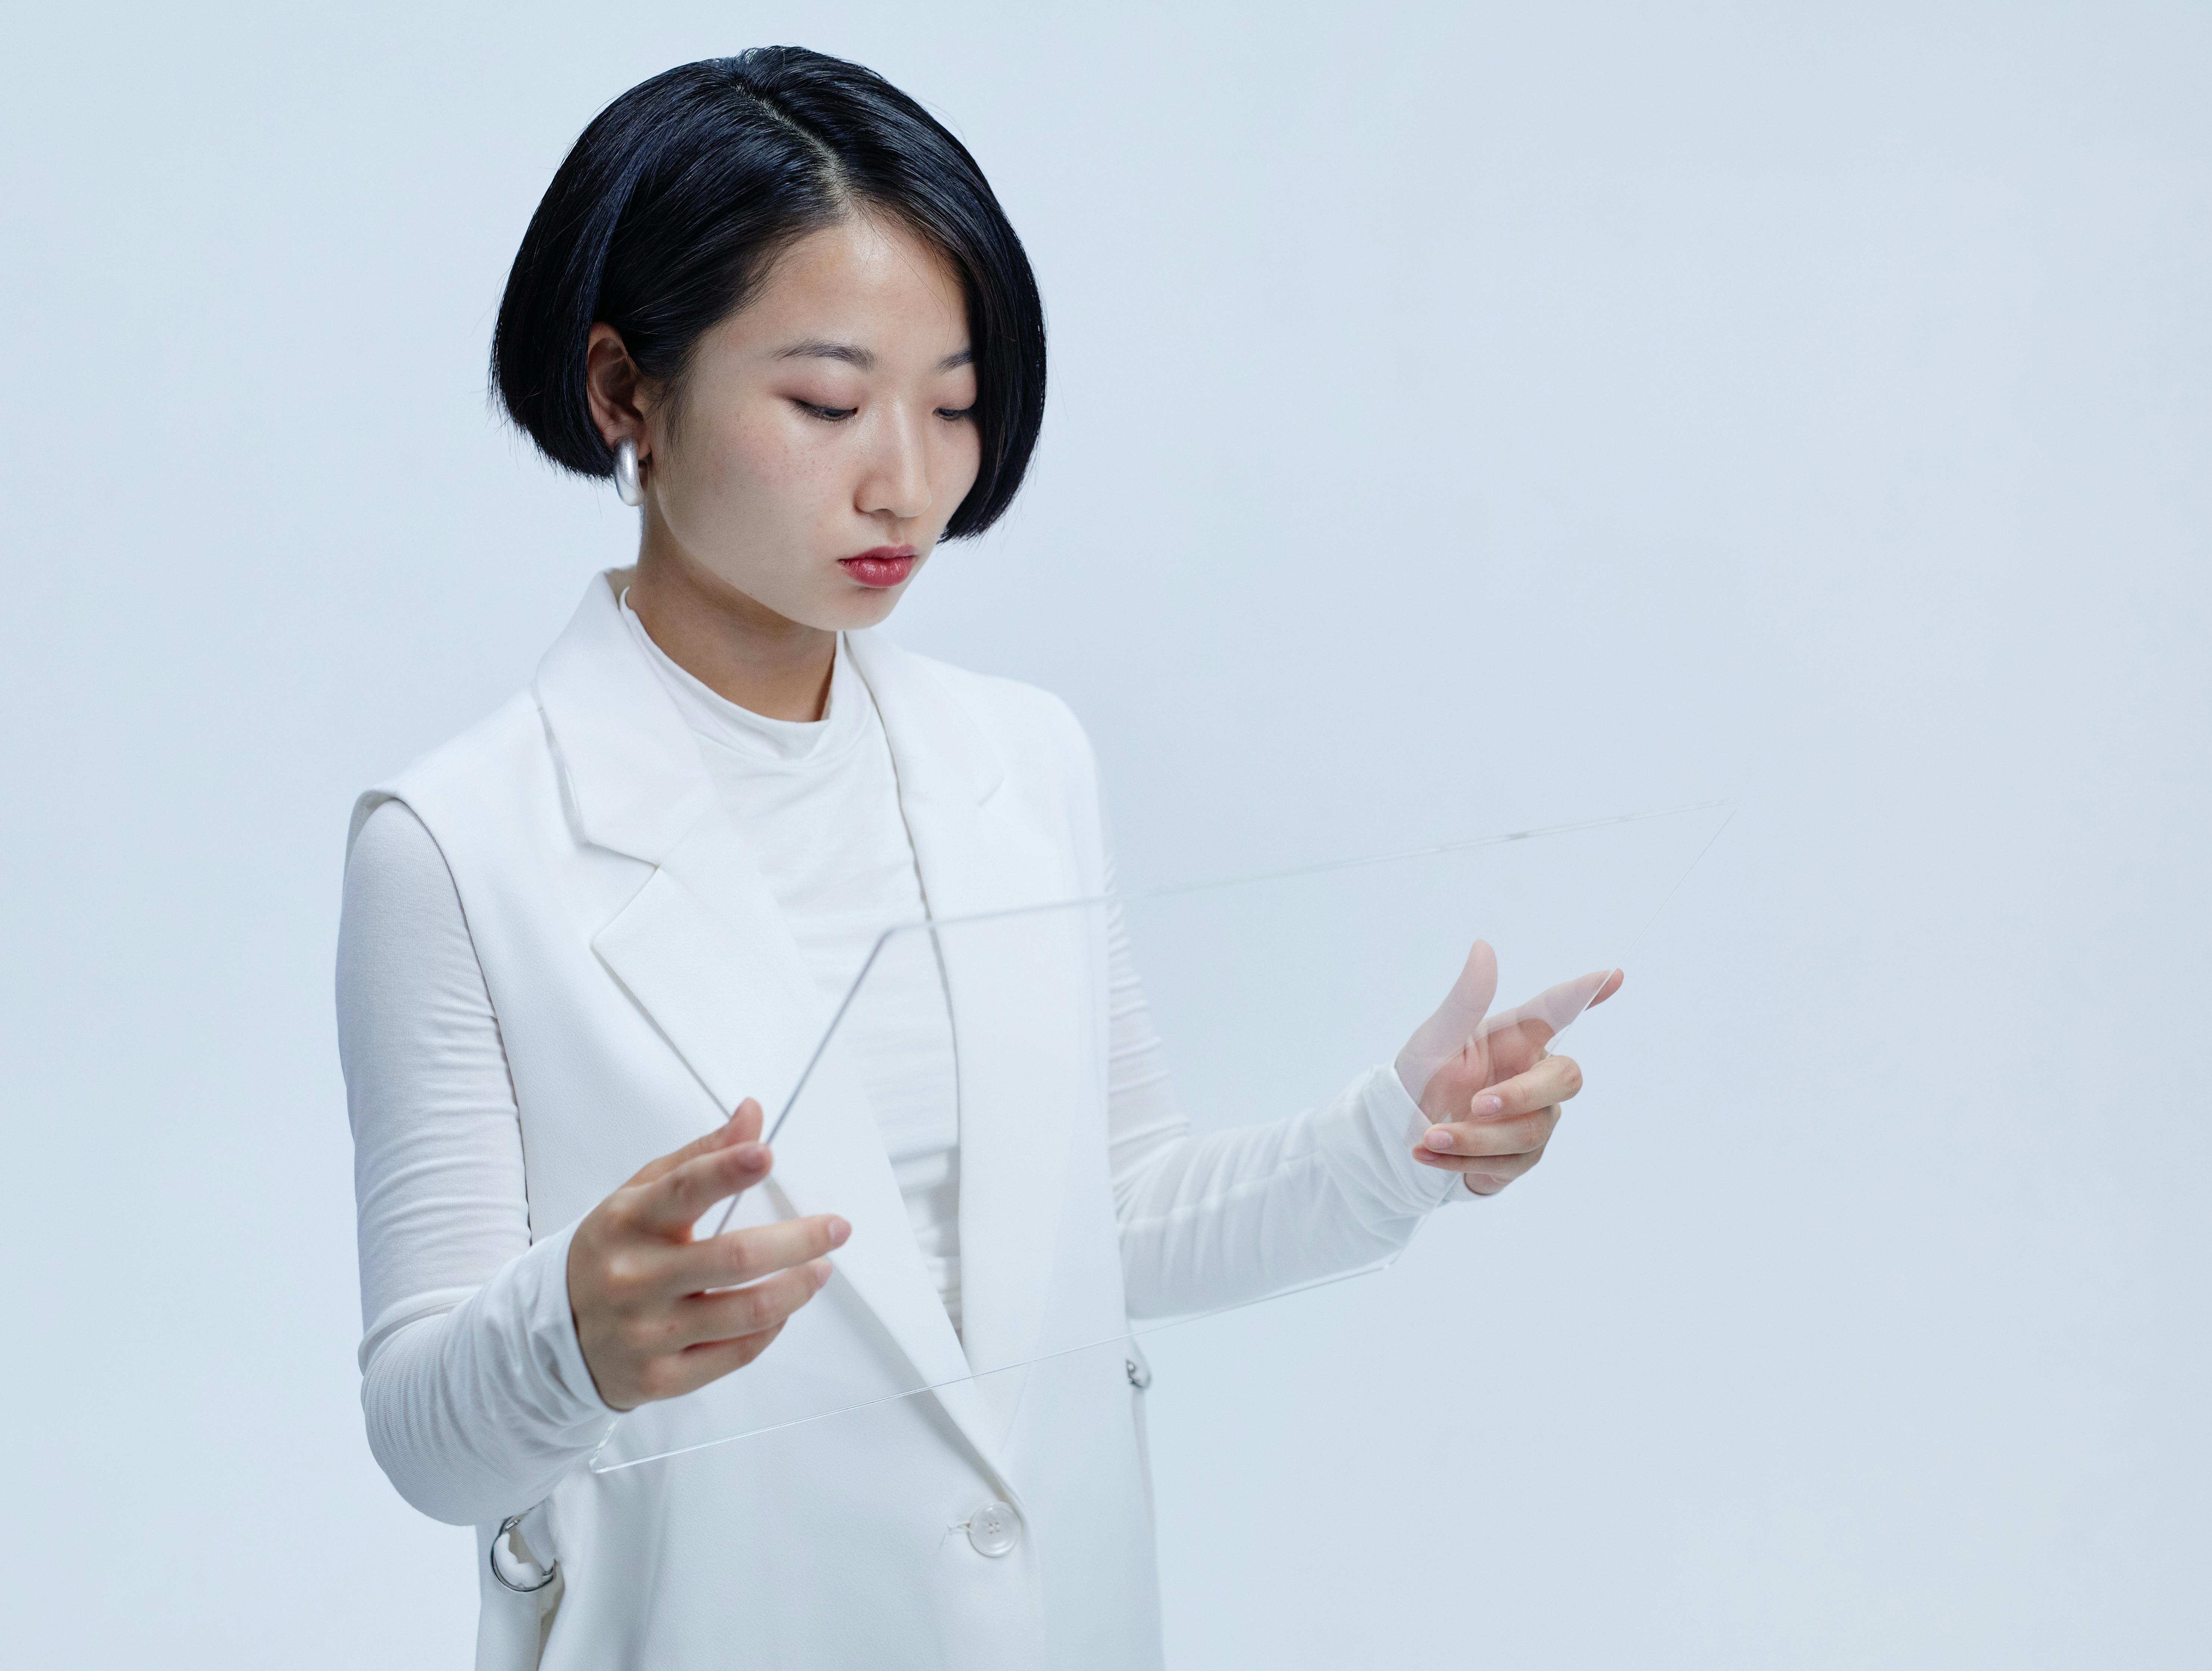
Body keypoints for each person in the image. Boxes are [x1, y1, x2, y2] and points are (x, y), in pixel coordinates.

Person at [336, 46, 1614, 1670]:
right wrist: (571, 1338)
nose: (910, 479)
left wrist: (1395, 1139)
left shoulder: (1023, 760)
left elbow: (1117, 1218)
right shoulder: (455, 842)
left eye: (953, 404)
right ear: (623, 392)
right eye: (825, 403)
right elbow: (421, 1433)